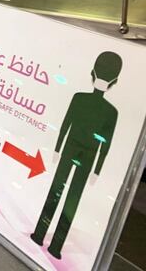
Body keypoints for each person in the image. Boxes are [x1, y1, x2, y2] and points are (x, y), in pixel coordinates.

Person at [31, 51, 121, 260]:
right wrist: (97, 169)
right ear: (114, 81)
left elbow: (66, 124)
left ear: (92, 72)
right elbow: (104, 144)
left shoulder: (79, 98)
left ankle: (39, 234)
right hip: (89, 157)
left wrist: (57, 148)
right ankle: (56, 246)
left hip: (70, 148)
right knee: (73, 199)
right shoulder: (111, 112)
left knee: (56, 189)